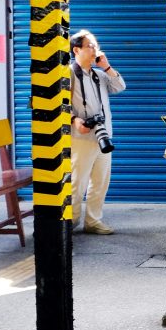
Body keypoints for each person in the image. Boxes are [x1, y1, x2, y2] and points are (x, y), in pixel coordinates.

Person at [70, 29, 126, 235]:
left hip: (103, 136)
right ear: (76, 50)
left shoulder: (100, 75)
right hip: (81, 138)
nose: (95, 50)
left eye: (95, 46)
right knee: (78, 181)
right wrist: (74, 120)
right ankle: (72, 219)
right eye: (90, 46)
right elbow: (57, 104)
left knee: (100, 181)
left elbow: (120, 86)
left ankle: (93, 220)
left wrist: (107, 66)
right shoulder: (68, 74)